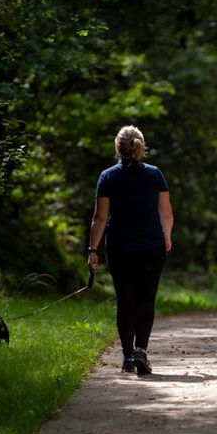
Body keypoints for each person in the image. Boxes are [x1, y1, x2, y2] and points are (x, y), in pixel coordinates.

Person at [87, 125, 174, 375]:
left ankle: (127, 357)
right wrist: (166, 236)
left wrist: (93, 249)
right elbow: (166, 213)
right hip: (151, 246)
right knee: (146, 299)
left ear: (118, 148)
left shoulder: (108, 176)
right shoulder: (155, 174)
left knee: (125, 301)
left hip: (120, 247)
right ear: (141, 147)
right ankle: (141, 351)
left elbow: (100, 217)